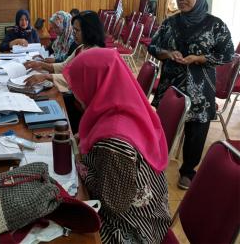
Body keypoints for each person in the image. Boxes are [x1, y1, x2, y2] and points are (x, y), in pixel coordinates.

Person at [63, 48, 171, 243]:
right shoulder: (126, 107)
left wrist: (80, 164)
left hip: (132, 230)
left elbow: (113, 204)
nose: (75, 93)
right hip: (145, 214)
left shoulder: (114, 141)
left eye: (78, 86)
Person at [148, 0, 234, 190]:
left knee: (197, 129)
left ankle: (188, 170)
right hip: (171, 85)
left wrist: (199, 59)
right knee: (163, 125)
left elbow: (227, 54)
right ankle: (153, 164)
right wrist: (168, 53)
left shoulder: (215, 25)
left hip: (200, 88)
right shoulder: (170, 22)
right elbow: (152, 46)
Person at [23, 11, 104, 92]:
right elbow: (65, 66)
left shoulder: (94, 54)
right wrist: (40, 64)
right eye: (73, 29)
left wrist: (46, 76)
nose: (73, 33)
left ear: (88, 31)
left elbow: (77, 80)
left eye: (77, 30)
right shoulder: (81, 47)